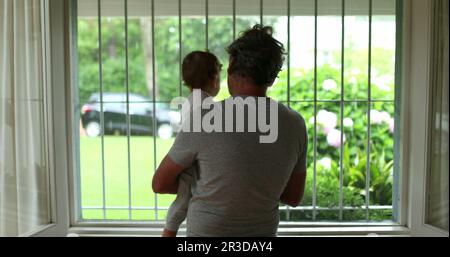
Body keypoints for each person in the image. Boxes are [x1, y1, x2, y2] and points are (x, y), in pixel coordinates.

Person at [152, 25, 308, 237]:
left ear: (232, 66)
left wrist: (206, 187)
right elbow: (293, 197)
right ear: (271, 78)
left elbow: (160, 183)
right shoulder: (295, 124)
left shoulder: (205, 117)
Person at [162, 51, 222, 237]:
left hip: (187, 157)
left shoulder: (190, 101)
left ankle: (169, 230)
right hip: (192, 163)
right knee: (182, 203)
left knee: (182, 202)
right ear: (214, 79)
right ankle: (168, 232)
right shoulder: (208, 105)